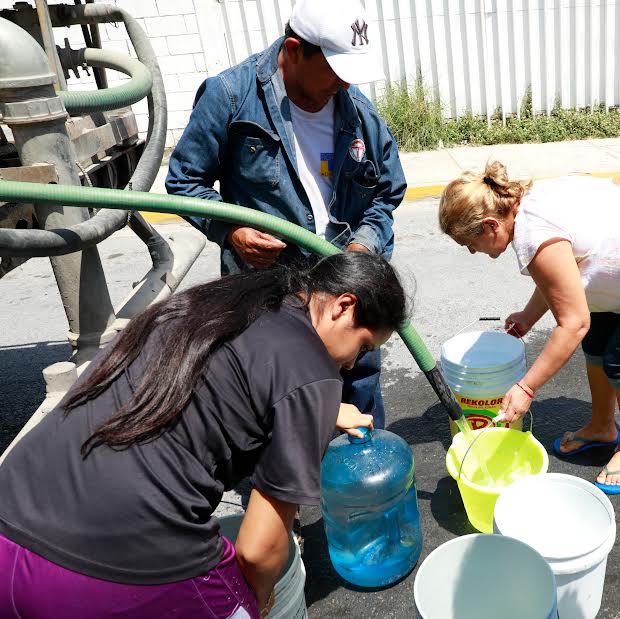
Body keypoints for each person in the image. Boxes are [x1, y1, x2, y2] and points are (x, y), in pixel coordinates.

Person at [0, 253, 408, 619]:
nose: (353, 363)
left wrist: (320, 409)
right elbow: (258, 550)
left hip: (10, 528)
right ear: (343, 305)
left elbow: (223, 381)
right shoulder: (315, 374)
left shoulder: (226, 301)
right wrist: (258, 600)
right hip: (116, 563)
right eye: (363, 345)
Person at [166, 0, 405, 429]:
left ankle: (357, 485)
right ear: (294, 50)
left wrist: (362, 247)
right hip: (268, 290)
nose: (344, 83)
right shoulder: (230, 97)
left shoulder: (357, 110)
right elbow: (185, 183)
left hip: (346, 281)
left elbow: (385, 194)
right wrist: (232, 229)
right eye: (333, 69)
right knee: (275, 394)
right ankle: (280, 488)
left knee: (358, 383)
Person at [438, 163, 620, 494]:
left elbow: (573, 323)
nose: (473, 251)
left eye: (469, 243)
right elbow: (562, 275)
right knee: (597, 343)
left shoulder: (534, 235)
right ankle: (602, 427)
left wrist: (526, 387)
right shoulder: (526, 201)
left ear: (490, 226)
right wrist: (529, 315)